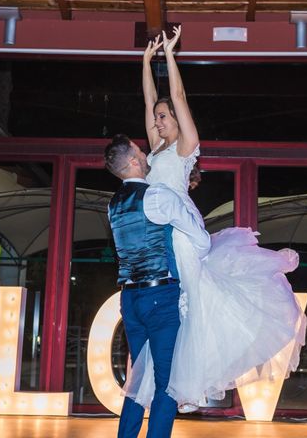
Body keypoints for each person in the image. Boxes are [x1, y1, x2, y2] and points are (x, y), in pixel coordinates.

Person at [124, 26, 307, 411]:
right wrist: (145, 61)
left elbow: (177, 95)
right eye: (155, 118)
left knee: (194, 303)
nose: (156, 122)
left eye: (162, 117)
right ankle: (177, 380)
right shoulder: (156, 151)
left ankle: (191, 383)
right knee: (181, 307)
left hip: (182, 237)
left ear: (176, 119)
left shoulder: (187, 145)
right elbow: (148, 99)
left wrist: (171, 55)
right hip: (163, 238)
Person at [104, 134, 211, 438]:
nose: (147, 155)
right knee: (167, 381)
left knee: (139, 379)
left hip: (129, 300)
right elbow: (200, 239)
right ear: (135, 161)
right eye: (141, 151)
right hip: (159, 296)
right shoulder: (158, 195)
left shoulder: (113, 205)